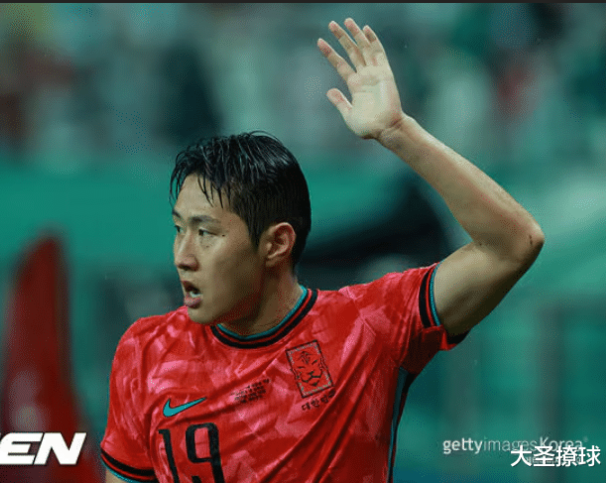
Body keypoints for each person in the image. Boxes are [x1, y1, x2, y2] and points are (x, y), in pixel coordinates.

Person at [100, 18, 544, 483]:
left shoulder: (367, 328)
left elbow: (514, 245)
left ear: (276, 244)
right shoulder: (146, 352)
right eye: (179, 230)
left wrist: (398, 131)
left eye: (206, 233)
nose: (182, 256)